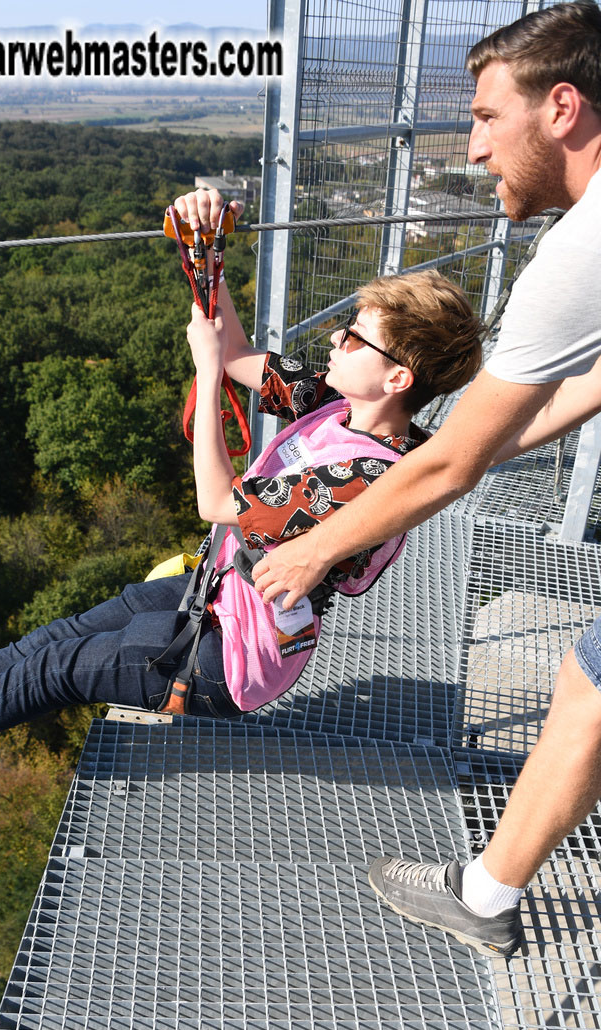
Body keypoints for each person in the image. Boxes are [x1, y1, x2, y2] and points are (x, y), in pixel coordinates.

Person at [0, 225, 482, 774]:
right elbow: (236, 347)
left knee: (64, 669)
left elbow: (217, 499)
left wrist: (207, 377)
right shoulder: (335, 403)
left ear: (396, 378)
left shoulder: (363, 475)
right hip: (214, 595)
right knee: (54, 638)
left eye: (356, 338)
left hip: (229, 658)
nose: (336, 337)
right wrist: (206, 251)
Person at [236, 0, 601, 958]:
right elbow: (585, 390)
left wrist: (313, 549)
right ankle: (486, 892)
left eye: (487, 117)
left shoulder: (580, 250)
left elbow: (444, 464)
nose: (475, 149)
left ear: (561, 107)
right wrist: (488, 440)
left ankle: (484, 896)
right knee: (590, 688)